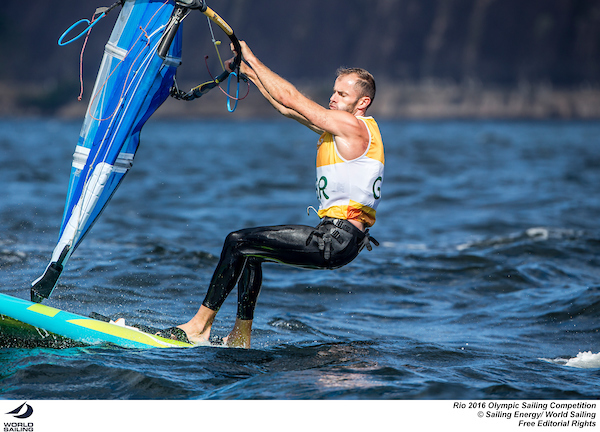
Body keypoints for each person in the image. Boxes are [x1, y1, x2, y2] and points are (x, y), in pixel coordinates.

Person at [173, 41, 385, 348]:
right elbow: (287, 108)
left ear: (362, 102)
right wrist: (249, 74)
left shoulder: (352, 126)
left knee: (237, 241)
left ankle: (198, 327)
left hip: (337, 238)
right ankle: (240, 336)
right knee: (251, 253)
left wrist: (253, 59)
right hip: (340, 239)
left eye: (342, 94)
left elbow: (293, 97)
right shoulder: (344, 129)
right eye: (334, 91)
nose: (333, 98)